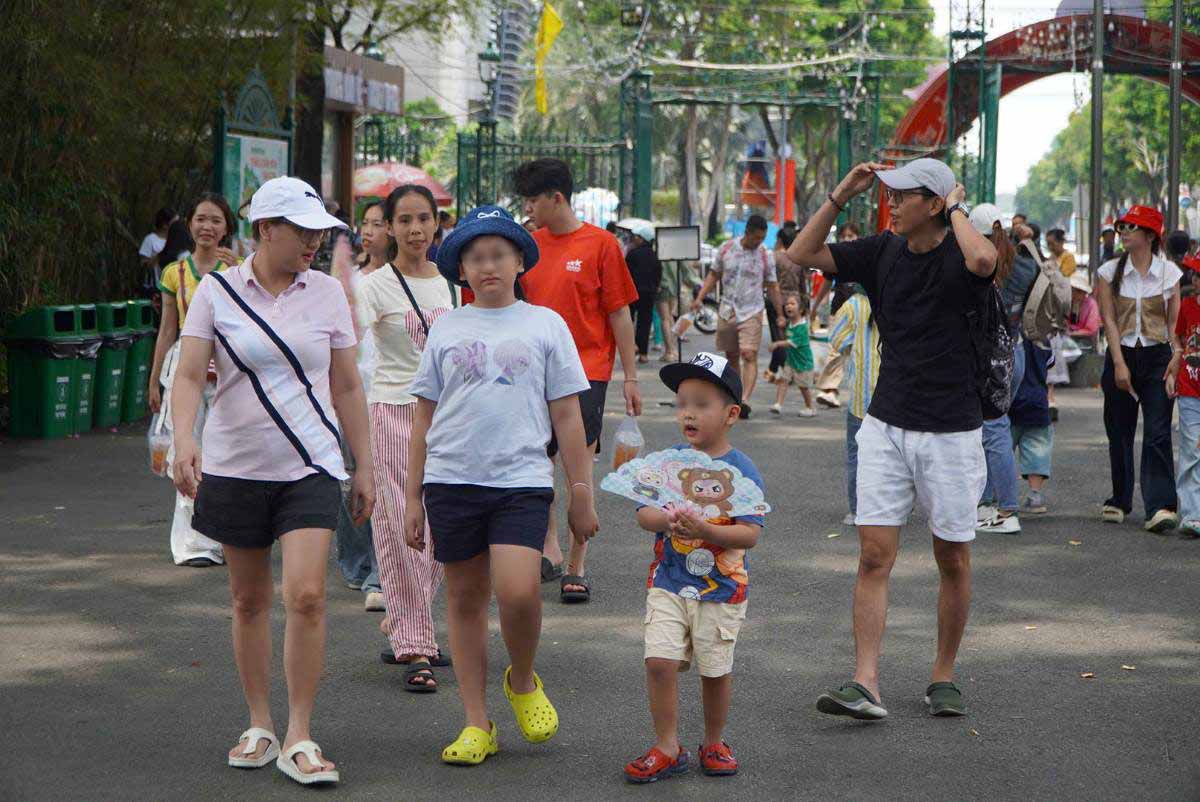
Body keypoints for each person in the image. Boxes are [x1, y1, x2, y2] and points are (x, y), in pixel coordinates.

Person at [171, 176, 374, 786]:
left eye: (319, 232)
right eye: (302, 231)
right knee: (247, 599)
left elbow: (346, 385)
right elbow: (186, 376)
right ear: (265, 230)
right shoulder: (216, 292)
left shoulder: (328, 295)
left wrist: (364, 464)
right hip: (235, 465)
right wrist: (185, 439)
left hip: (310, 464)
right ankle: (259, 723)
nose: (314, 241)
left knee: (307, 595)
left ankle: (300, 734)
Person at [789, 157, 997, 719]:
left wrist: (956, 205)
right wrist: (841, 192)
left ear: (934, 204)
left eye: (905, 196)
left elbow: (983, 259)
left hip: (952, 432)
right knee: (873, 556)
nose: (892, 204)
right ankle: (865, 682)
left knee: (951, 556)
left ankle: (943, 675)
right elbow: (801, 254)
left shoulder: (963, 250)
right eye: (889, 195)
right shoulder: (882, 251)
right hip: (885, 425)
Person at [405, 204, 600, 766]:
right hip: (451, 481)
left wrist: (580, 494)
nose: (487, 264)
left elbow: (567, 415)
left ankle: (521, 678)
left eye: (498, 253)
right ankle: (475, 721)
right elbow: (423, 418)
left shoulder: (545, 325)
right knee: (465, 598)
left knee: (518, 592)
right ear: (460, 268)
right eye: (474, 256)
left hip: (520, 480)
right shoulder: (448, 326)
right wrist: (412, 496)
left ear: (519, 259)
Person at [623, 353, 764, 784]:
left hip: (720, 589)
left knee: (714, 670)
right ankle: (667, 745)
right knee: (659, 663)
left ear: (731, 414)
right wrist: (666, 519)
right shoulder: (668, 464)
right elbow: (643, 513)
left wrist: (706, 528)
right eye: (683, 403)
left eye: (702, 403)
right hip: (668, 581)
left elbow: (750, 533)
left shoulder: (741, 470)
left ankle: (714, 741)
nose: (689, 412)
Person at [514, 158, 641, 604]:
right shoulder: (526, 246)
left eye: (533, 199)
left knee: (578, 467)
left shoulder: (601, 245)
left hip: (587, 371)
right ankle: (549, 548)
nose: (527, 207)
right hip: (533, 372)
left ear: (557, 198)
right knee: (538, 464)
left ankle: (577, 563)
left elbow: (619, 312)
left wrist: (630, 376)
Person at [357, 185, 463, 690]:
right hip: (393, 413)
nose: (416, 229)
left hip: (448, 419)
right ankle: (417, 645)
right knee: (403, 528)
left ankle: (403, 616)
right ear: (388, 227)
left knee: (441, 528)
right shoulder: (374, 287)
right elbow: (346, 353)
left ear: (437, 224)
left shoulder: (452, 285)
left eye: (425, 219)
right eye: (404, 220)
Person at [147, 193, 239, 567]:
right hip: (183, 367)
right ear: (189, 223)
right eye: (201, 219)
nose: (207, 227)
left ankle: (221, 537)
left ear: (227, 229)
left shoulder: (240, 269)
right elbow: (167, 329)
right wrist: (154, 381)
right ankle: (192, 544)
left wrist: (240, 274)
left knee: (223, 452)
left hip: (228, 368)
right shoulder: (175, 273)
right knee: (185, 450)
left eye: (216, 220)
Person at [1097, 205, 1182, 532]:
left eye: (1132, 226)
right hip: (1122, 354)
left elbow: (1173, 326)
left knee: (1158, 431)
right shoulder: (1108, 272)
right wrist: (1118, 363)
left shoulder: (1169, 274)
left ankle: (1160, 505)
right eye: (1122, 226)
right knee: (1119, 429)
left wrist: (1176, 359)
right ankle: (1119, 498)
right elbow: (1108, 321)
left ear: (1150, 235)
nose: (1124, 231)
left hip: (1159, 356)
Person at [331, 201, 387, 612]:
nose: (369, 231)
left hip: (388, 393)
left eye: (378, 224)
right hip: (349, 389)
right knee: (345, 480)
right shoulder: (347, 278)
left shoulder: (405, 280)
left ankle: (383, 571)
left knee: (383, 480)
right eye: (364, 224)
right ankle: (356, 560)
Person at [973, 207, 1035, 536]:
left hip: (990, 359)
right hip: (1017, 350)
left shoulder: (980, 263)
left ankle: (1006, 509)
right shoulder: (1024, 264)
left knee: (993, 429)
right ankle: (986, 502)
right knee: (990, 429)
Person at [691, 215, 784, 419]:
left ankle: (745, 399)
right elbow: (714, 274)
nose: (759, 241)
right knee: (731, 355)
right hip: (728, 308)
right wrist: (700, 297)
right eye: (757, 237)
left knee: (749, 354)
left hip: (752, 309)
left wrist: (779, 313)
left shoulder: (765, 255)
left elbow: (772, 285)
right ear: (747, 233)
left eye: (763, 238)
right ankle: (736, 394)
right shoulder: (726, 249)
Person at [828, 282, 880, 526]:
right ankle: (893, 508)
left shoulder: (853, 305)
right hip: (897, 396)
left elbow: (837, 339)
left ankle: (858, 510)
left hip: (862, 395)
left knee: (857, 455)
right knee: (895, 455)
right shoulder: (899, 296)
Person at [812, 222, 863, 409]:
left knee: (854, 352)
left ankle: (833, 390)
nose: (848, 239)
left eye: (852, 235)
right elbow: (826, 284)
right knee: (835, 349)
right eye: (845, 236)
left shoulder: (865, 255)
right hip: (839, 311)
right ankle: (829, 389)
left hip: (861, 312)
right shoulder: (836, 258)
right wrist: (815, 307)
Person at [1169, 266, 1200, 537]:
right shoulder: (1188, 305)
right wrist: (1176, 361)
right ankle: (1192, 514)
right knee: (1192, 450)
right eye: (1195, 274)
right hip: (1190, 388)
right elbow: (1179, 337)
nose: (1196, 279)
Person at [1009, 338, 1054, 515]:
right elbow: (1050, 362)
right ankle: (1035, 495)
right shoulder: (1042, 338)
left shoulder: (1005, 334)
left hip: (1008, 404)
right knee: (1037, 450)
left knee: (1000, 450)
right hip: (1037, 402)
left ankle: (996, 495)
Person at [766, 229, 805, 379]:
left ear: (780, 240)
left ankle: (786, 371)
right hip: (795, 301)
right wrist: (803, 305)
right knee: (790, 336)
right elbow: (803, 285)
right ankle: (774, 370)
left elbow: (769, 283)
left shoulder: (775, 257)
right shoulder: (799, 259)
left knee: (779, 338)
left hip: (776, 300)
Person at [768, 293, 816, 417]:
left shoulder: (802, 327)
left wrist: (777, 344)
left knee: (803, 387)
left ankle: (810, 407)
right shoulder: (791, 323)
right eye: (787, 304)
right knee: (783, 381)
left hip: (802, 362)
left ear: (800, 309)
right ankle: (778, 404)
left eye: (792, 304)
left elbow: (791, 343)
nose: (788, 306)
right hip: (790, 360)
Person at [625, 221, 663, 363]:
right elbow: (658, 274)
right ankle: (643, 354)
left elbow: (625, 273)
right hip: (649, 293)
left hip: (633, 292)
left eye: (637, 236)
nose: (634, 239)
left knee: (629, 320)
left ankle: (632, 346)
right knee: (645, 322)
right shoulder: (655, 255)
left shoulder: (632, 254)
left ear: (642, 238)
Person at [140, 207, 175, 285]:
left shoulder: (176, 240)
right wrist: (161, 255)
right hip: (155, 286)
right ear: (164, 225)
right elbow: (143, 265)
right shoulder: (150, 240)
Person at [1067, 271, 1101, 344]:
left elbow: (1091, 329)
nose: (1074, 294)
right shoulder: (1067, 302)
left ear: (1085, 292)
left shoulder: (1091, 305)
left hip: (1085, 342)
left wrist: (1071, 333)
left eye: (1079, 291)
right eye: (1072, 290)